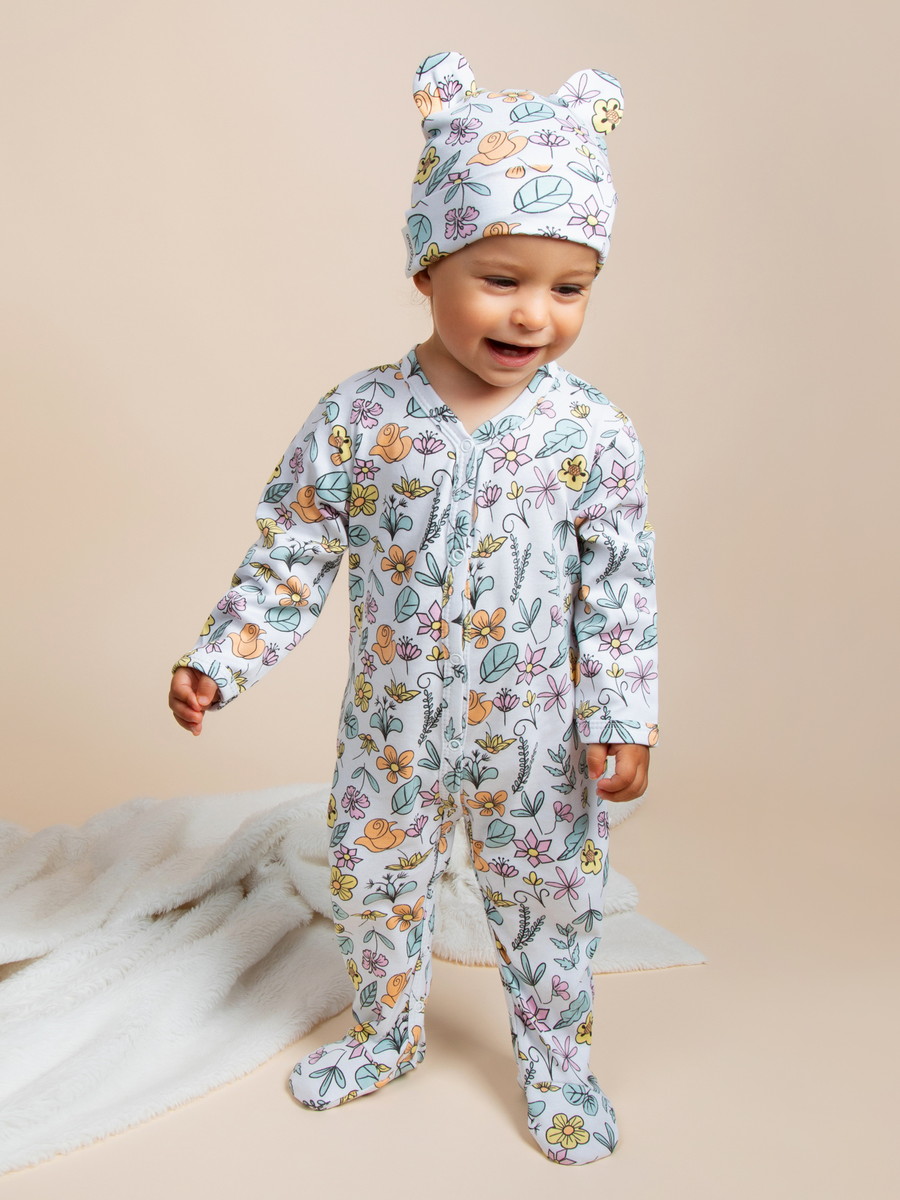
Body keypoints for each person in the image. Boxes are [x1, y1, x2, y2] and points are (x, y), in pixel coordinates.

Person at [169, 50, 658, 1165]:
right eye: (502, 279)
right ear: (429, 267)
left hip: (536, 740)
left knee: (549, 901)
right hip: (391, 730)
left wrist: (622, 715)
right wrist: (222, 657)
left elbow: (620, 585)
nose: (535, 315)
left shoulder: (592, 433)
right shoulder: (360, 419)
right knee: (374, 883)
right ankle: (385, 1035)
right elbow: (294, 548)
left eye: (569, 289)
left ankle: (558, 1066)